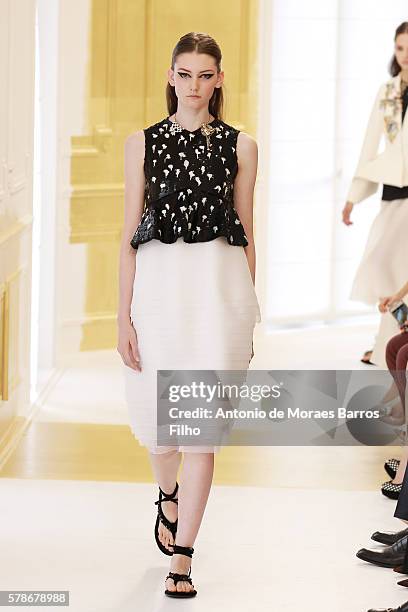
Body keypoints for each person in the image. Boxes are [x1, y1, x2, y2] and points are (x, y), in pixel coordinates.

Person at [117, 32, 261, 599]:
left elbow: (247, 231)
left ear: (219, 78)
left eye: (205, 75)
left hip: (220, 297)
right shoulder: (142, 144)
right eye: (185, 74)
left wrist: (249, 308)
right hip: (158, 295)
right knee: (162, 433)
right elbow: (129, 236)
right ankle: (167, 495)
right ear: (171, 76)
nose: (194, 86)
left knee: (201, 434)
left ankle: (184, 555)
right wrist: (122, 318)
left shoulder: (242, 146)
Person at [342, 21, 408, 368]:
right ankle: (389, 340)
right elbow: (370, 145)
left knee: (399, 270)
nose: (406, 55)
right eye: (400, 48)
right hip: (392, 190)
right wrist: (354, 195)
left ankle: (388, 344)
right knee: (383, 266)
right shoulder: (387, 91)